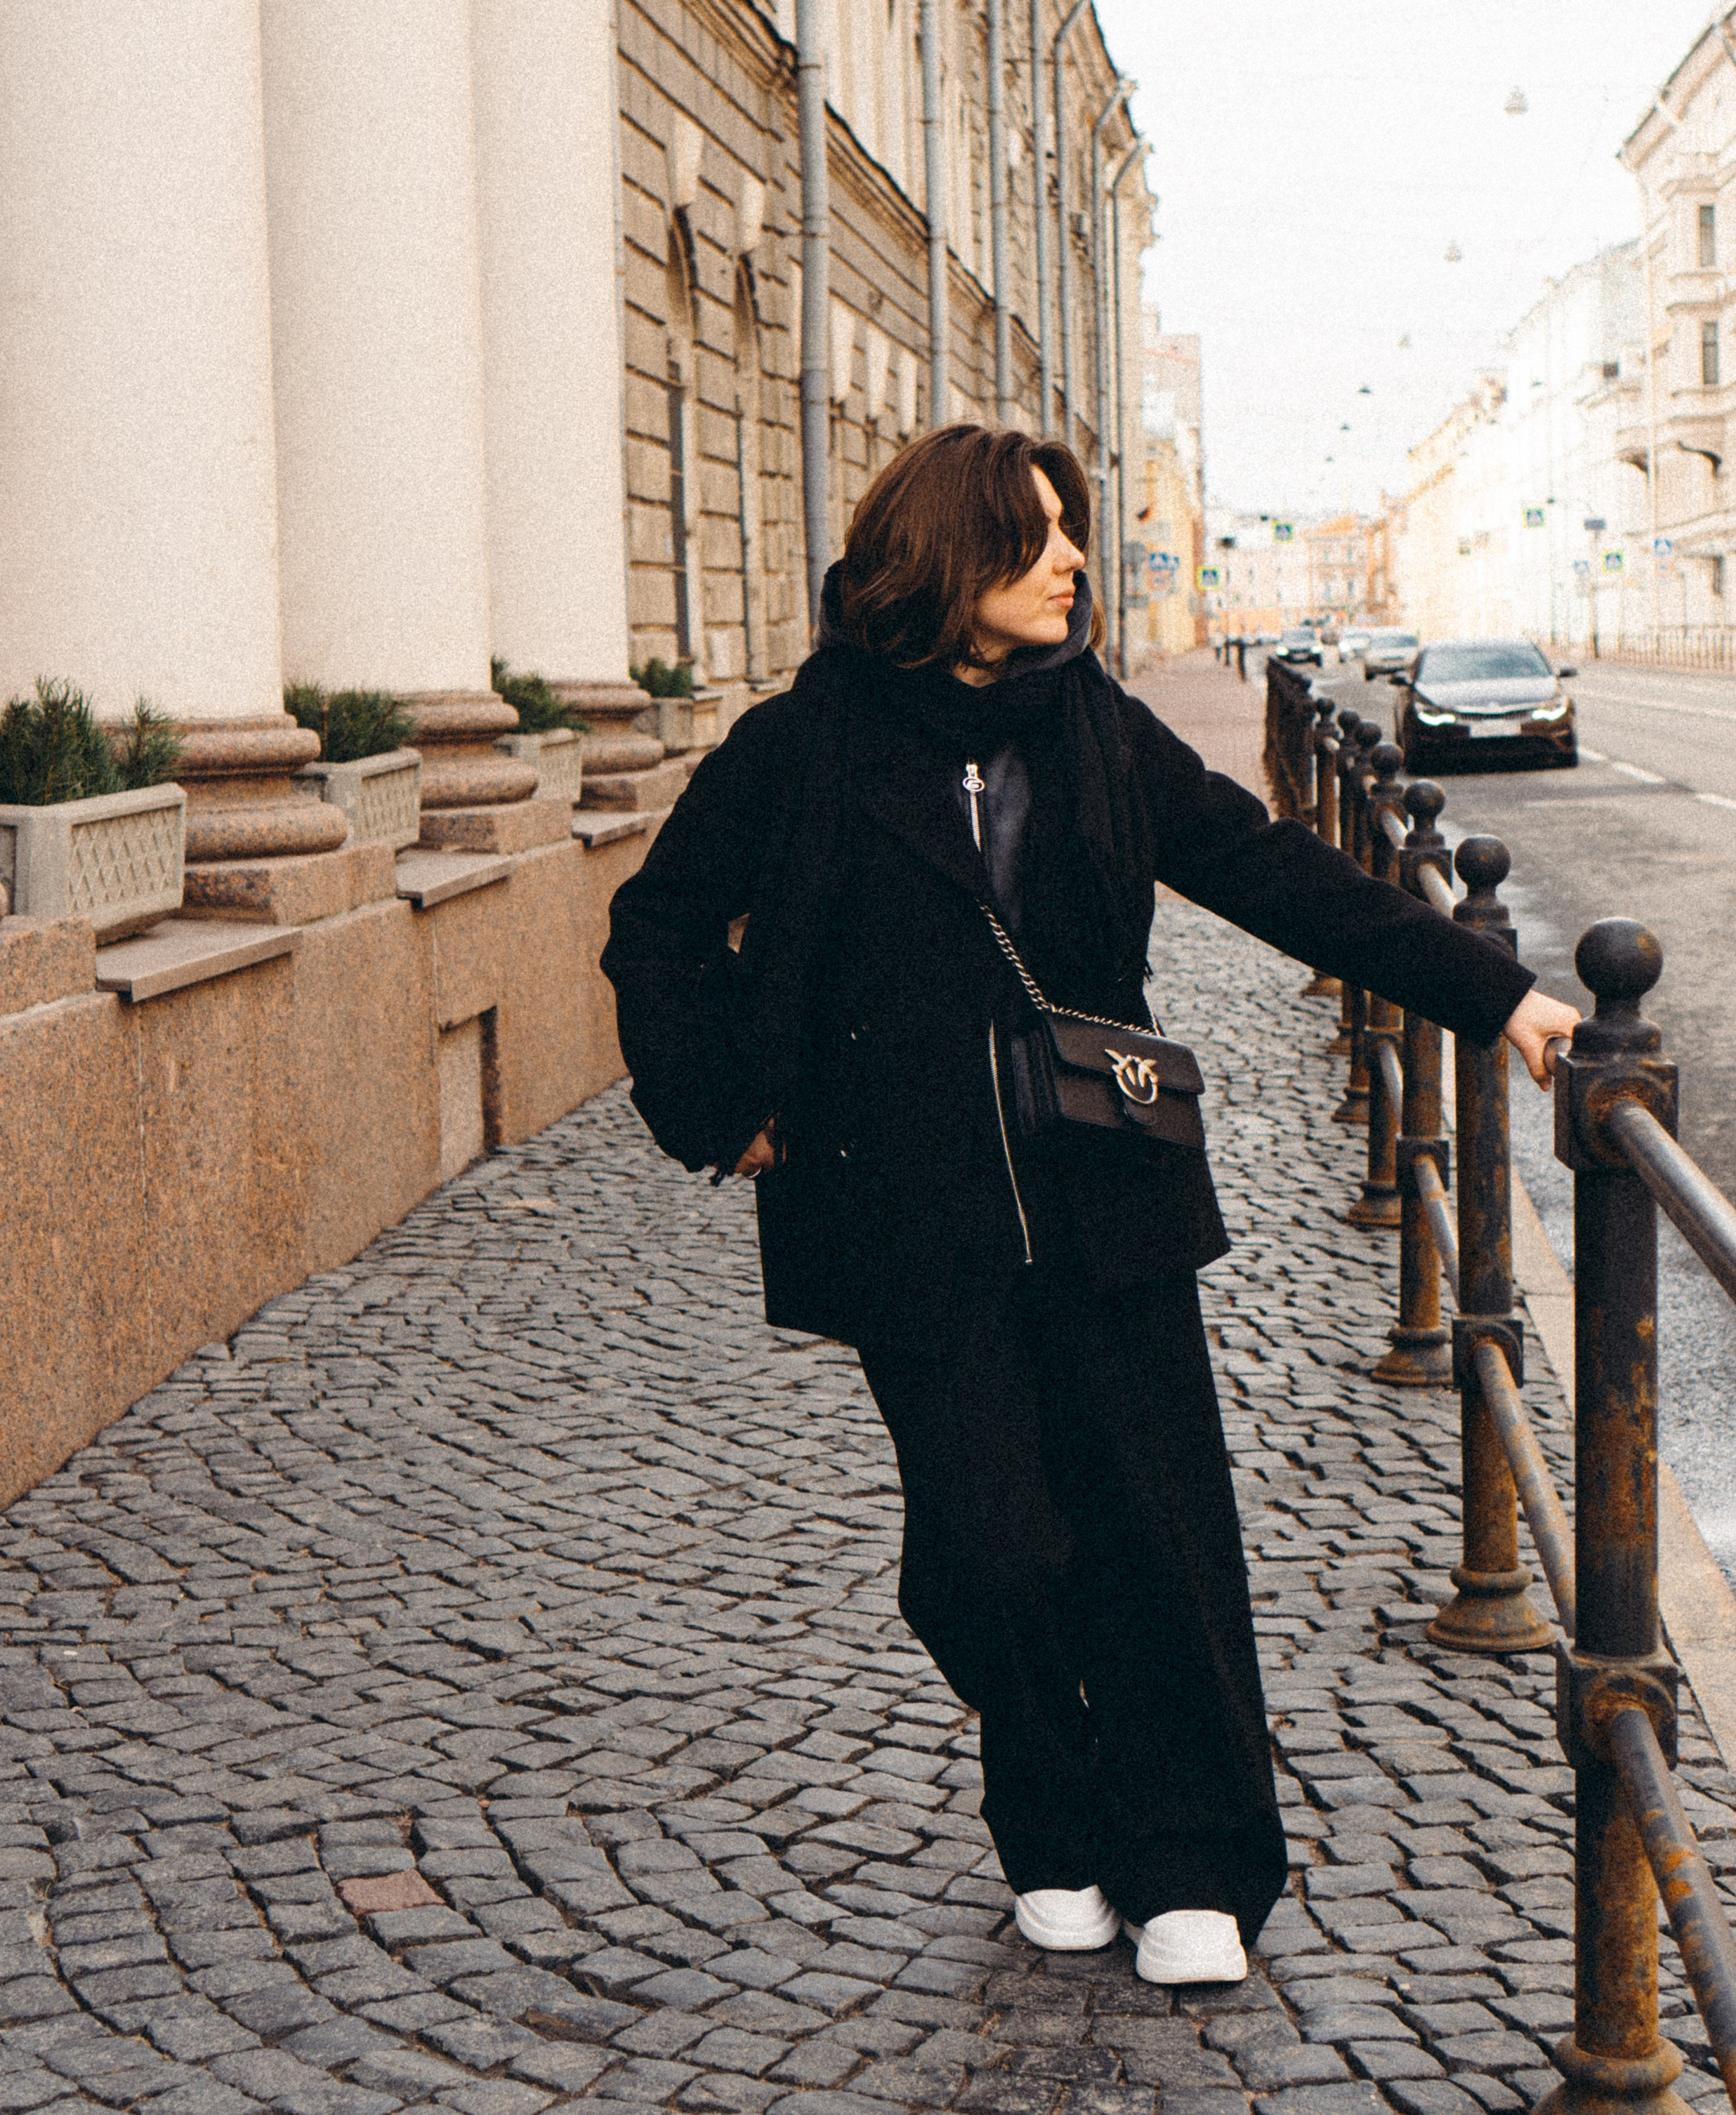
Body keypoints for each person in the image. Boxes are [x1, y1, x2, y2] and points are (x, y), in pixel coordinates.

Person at [601, 426, 1577, 1987]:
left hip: (1106, 1193)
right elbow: (652, 930)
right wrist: (726, 1110)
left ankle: (1189, 1859)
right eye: (1040, 538)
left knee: (1155, 1534)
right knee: (989, 1552)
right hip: (906, 1216)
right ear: (945, 559)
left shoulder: (1097, 735)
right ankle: (1049, 1819)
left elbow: (1276, 873)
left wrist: (1496, 997)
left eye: (1073, 534)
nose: (1072, 562)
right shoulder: (807, 745)